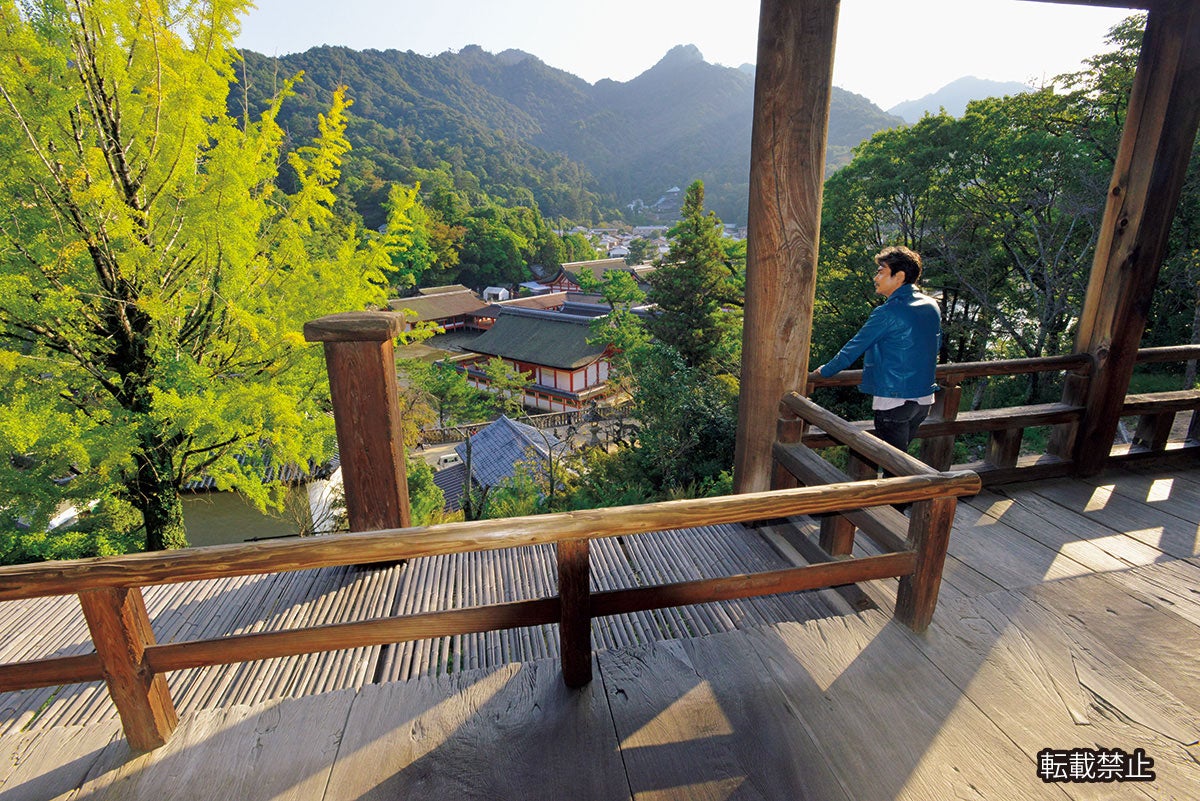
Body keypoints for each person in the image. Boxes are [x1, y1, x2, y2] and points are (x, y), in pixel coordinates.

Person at [809, 245, 941, 455]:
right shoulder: (931, 305)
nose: (875, 277)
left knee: (895, 467)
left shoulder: (887, 312)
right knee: (901, 461)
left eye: (881, 271)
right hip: (924, 398)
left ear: (899, 276)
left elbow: (853, 348)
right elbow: (935, 345)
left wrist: (823, 372)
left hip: (894, 399)